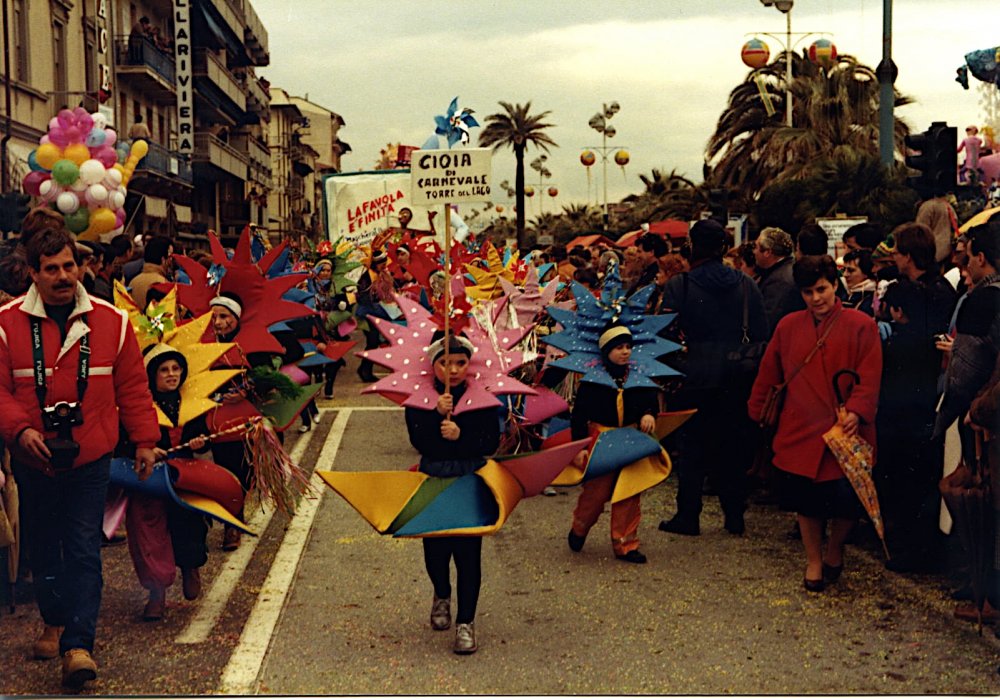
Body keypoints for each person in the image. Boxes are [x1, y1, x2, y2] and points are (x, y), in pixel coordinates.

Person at [0, 226, 159, 688]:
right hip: (35, 459)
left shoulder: (114, 321)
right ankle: (53, 619)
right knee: (45, 547)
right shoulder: (7, 324)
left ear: (81, 267)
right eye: (51, 269)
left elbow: (132, 387)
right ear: (33, 273)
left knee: (85, 547)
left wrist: (145, 439)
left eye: (70, 266)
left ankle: (78, 645)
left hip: (91, 456)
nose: (64, 276)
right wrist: (21, 429)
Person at [748, 255, 882, 593]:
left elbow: (870, 375)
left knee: (846, 500)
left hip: (844, 428)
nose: (816, 298)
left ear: (835, 285)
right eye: (807, 292)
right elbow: (770, 372)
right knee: (805, 500)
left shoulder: (861, 324)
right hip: (801, 427)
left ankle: (835, 548)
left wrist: (857, 409)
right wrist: (758, 409)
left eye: (821, 289)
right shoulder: (789, 325)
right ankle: (813, 559)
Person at [658, 219, 768, 536]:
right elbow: (762, 332)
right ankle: (734, 515)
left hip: (694, 373)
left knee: (692, 446)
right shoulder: (747, 285)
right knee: (732, 445)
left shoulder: (682, 285)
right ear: (723, 247)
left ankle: (688, 516)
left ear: (692, 246)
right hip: (737, 375)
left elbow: (664, 333)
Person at [404, 332, 500, 655]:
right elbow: (420, 442)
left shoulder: (481, 396)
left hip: (469, 483)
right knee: (435, 553)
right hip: (434, 481)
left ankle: (466, 622)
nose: (454, 369)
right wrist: (434, 415)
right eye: (446, 363)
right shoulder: (419, 399)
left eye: (461, 362)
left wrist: (461, 435)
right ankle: (441, 593)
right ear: (434, 365)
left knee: (469, 556)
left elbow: (490, 441)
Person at [126, 344, 211, 621]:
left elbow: (203, 437)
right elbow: (123, 441)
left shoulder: (192, 403)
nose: (171, 374)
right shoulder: (136, 406)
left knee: (187, 523)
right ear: (151, 375)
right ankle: (156, 594)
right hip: (148, 478)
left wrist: (199, 442)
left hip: (183, 474)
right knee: (149, 533)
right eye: (164, 370)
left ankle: (190, 567)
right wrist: (144, 448)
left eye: (176, 369)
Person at [567, 322, 661, 562]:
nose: (625, 352)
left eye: (628, 346)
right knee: (596, 493)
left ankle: (626, 543)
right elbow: (578, 416)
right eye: (618, 347)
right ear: (606, 351)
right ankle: (580, 525)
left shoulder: (638, 378)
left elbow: (650, 399)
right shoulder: (592, 382)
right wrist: (579, 448)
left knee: (630, 492)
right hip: (603, 441)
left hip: (631, 440)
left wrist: (649, 413)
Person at [753, 227, 803, 337]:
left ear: (767, 252)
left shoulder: (779, 281)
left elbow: (768, 323)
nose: (754, 252)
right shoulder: (787, 270)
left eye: (756, 247)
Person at [128, 236, 173, 311]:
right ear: (163, 259)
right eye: (169, 256)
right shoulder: (164, 285)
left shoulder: (133, 282)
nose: (171, 260)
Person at [915, 193, 959, 265]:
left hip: (931, 254)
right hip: (948, 252)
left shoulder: (927, 207)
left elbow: (920, 232)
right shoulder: (948, 206)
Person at [842, 249, 877, 317]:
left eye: (851, 270)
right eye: (844, 270)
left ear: (866, 273)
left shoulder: (875, 297)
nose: (845, 274)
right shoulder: (846, 293)